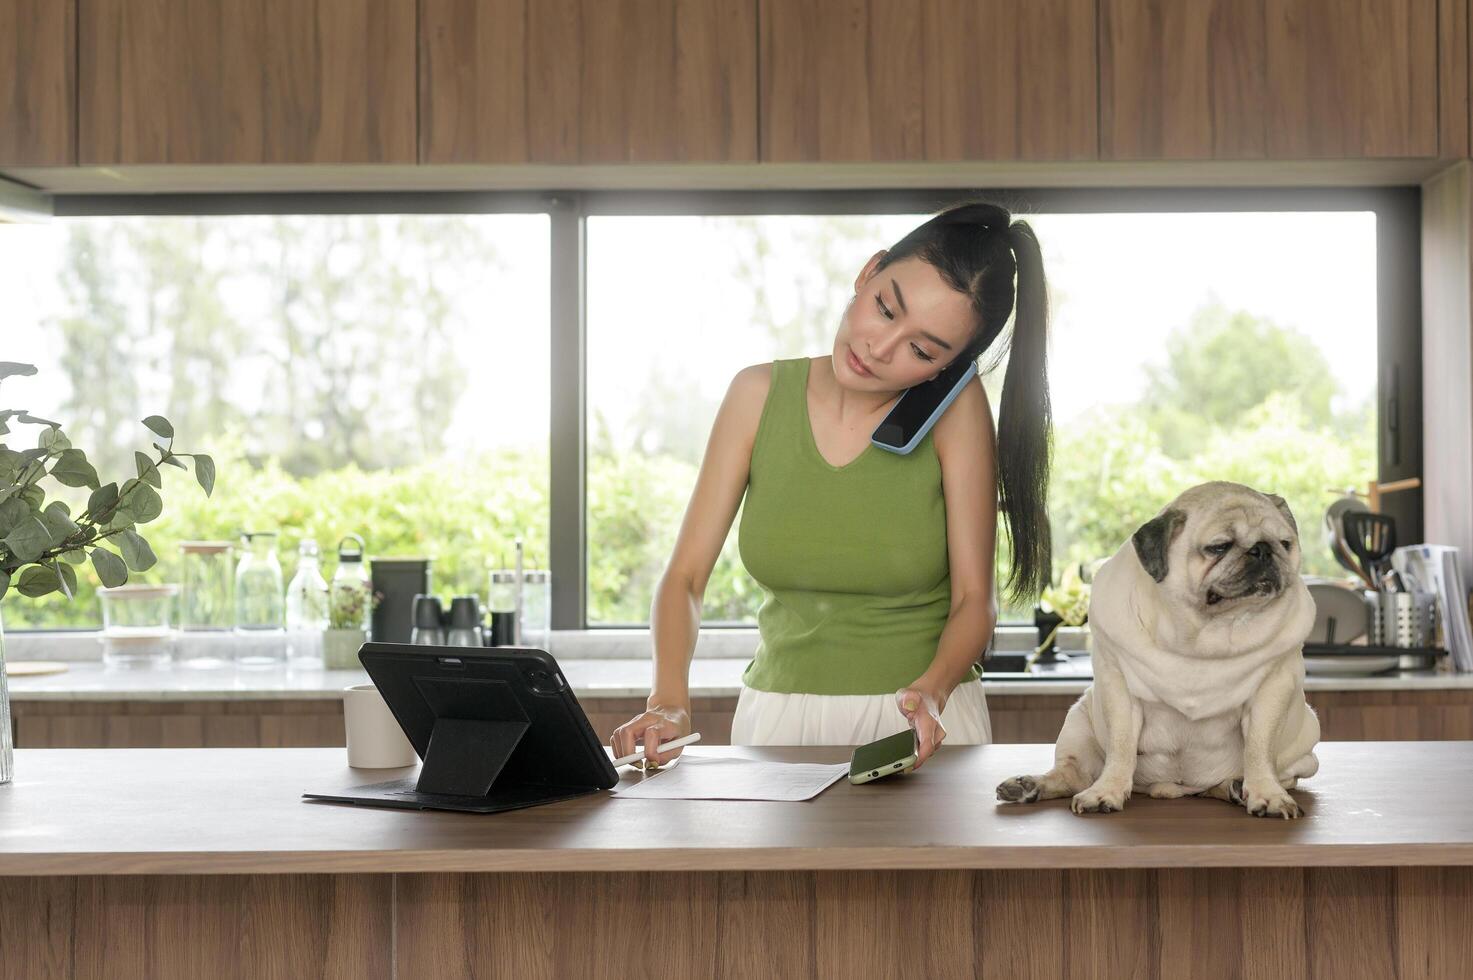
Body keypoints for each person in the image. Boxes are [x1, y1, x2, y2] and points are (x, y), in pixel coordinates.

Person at [610, 201, 1052, 771]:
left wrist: (933, 691)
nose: (880, 348)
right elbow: (685, 577)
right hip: (775, 717)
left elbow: (975, 601)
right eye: (885, 309)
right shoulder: (757, 395)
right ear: (867, 273)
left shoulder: (955, 412)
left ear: (950, 368)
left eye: (922, 350)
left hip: (916, 722)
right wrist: (668, 702)